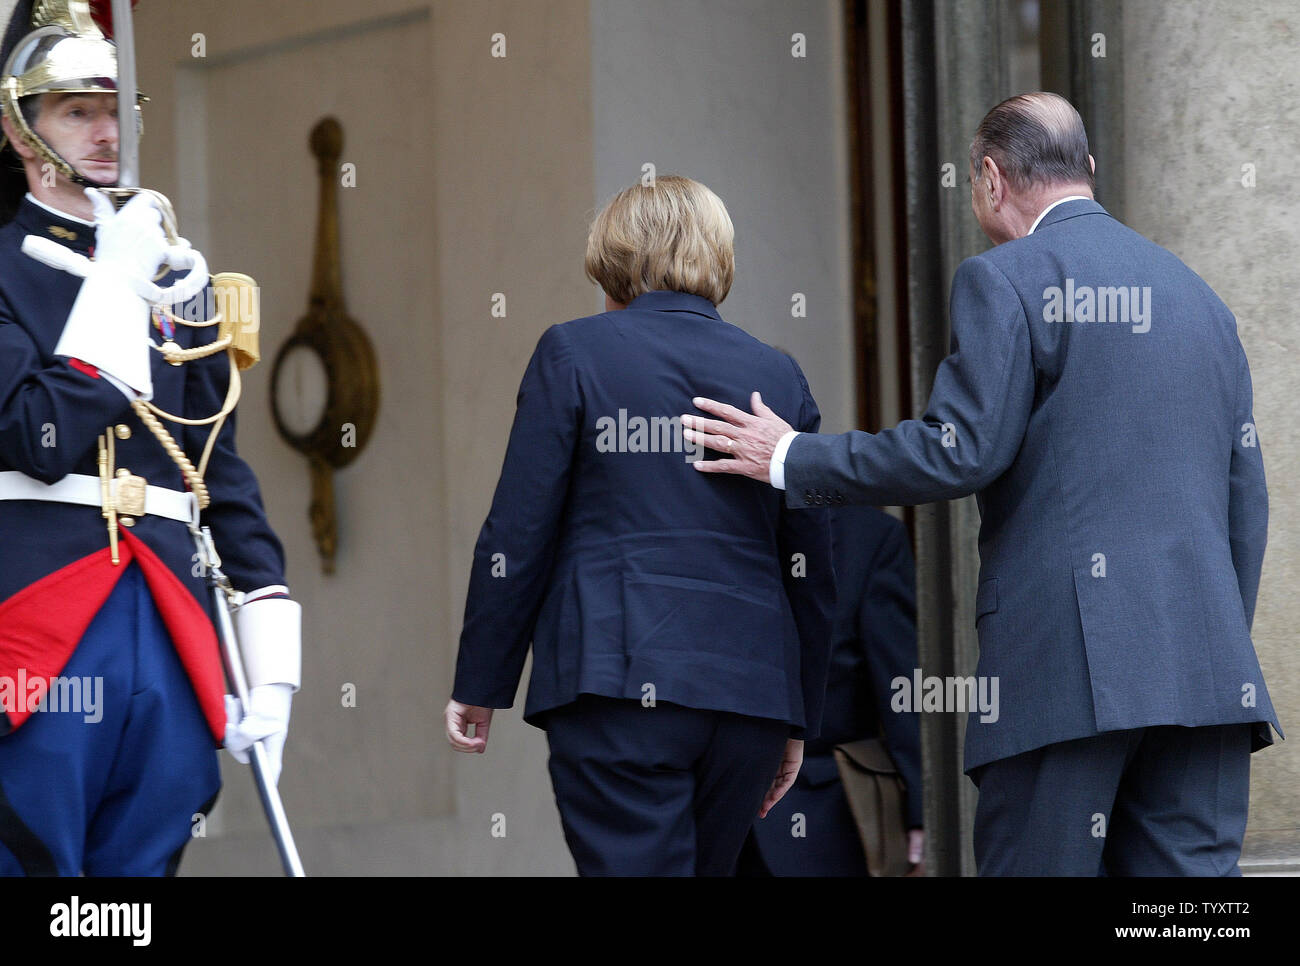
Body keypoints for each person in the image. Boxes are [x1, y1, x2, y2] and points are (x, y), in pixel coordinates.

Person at [682, 92, 1279, 876]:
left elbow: (958, 450)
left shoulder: (1006, 278)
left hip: (1067, 675)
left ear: (991, 179)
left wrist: (793, 457)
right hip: (1206, 675)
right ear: (1088, 170)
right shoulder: (1201, 300)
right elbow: (1248, 501)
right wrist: (1212, 634)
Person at [444, 175, 835, 876]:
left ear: (615, 257)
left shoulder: (572, 353)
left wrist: (482, 678)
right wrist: (798, 714)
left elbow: (518, 532)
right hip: (747, 697)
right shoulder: (779, 376)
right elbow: (810, 562)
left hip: (616, 681)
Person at [0, 0, 300, 876]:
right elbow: (36, 432)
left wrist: (269, 660)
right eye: (76, 110)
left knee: (142, 875)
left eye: (114, 108)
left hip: (168, 614)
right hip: (38, 618)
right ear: (23, 130)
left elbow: (219, 472)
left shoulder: (177, 280)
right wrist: (115, 291)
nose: (105, 131)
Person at [738, 503, 923, 876]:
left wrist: (918, 810)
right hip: (700, 806)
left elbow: (899, 681)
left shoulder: (868, 535)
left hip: (823, 814)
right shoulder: (700, 517)